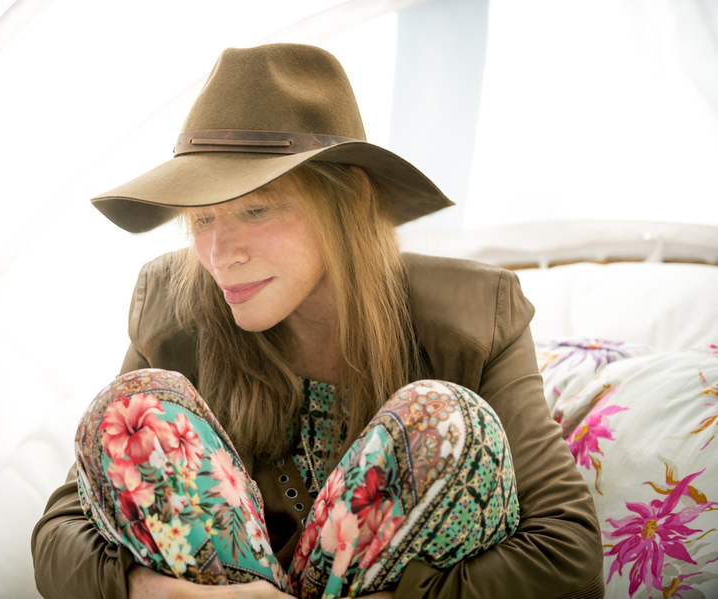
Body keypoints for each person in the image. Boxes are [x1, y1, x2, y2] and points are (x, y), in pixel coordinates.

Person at [31, 43, 604, 599]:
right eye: (202, 218)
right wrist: (163, 595)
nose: (218, 254)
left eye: (255, 209)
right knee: (131, 406)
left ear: (350, 199)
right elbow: (59, 537)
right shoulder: (172, 308)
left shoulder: (478, 316)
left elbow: (568, 560)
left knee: (442, 418)